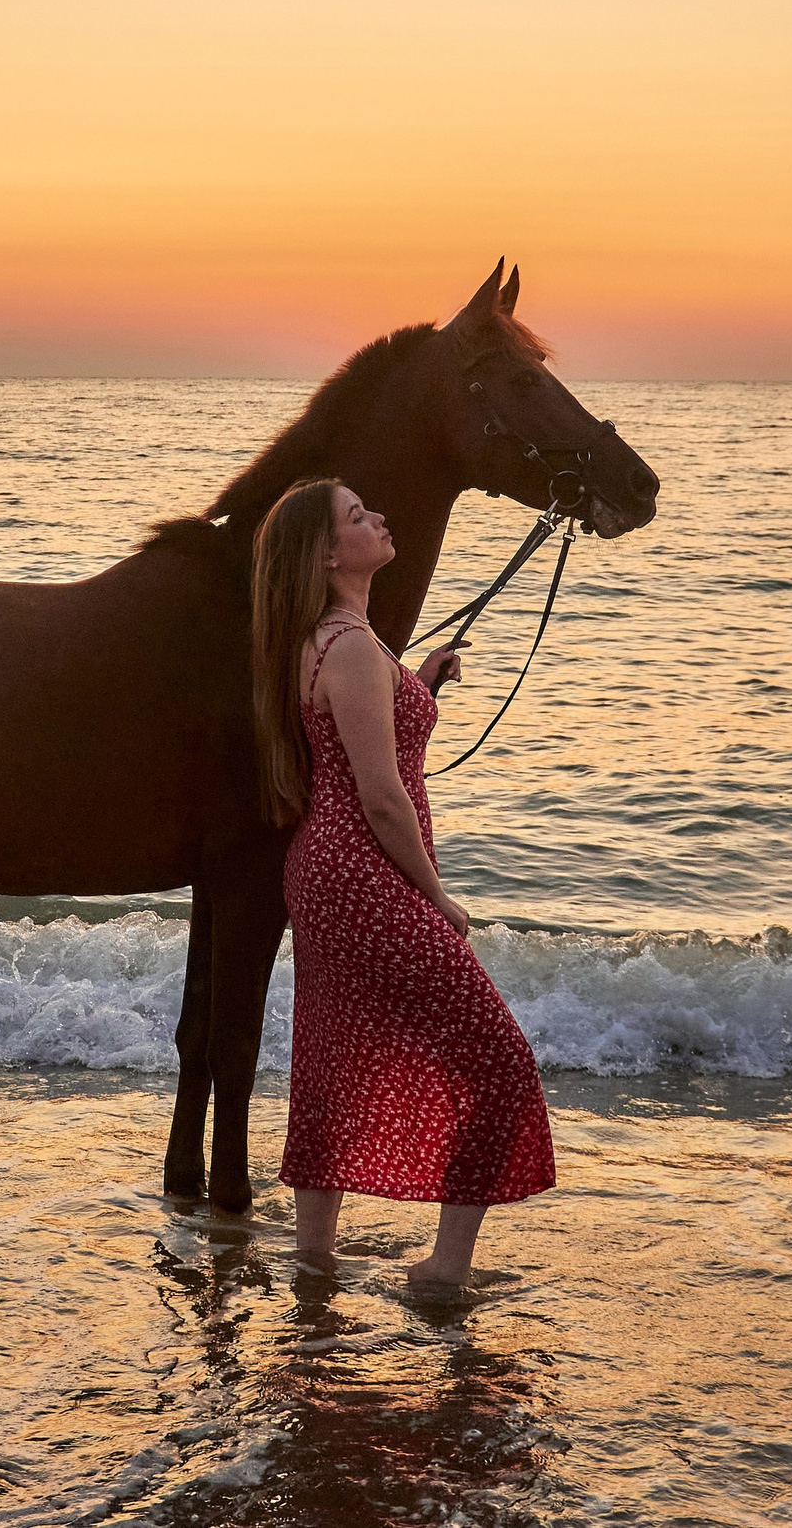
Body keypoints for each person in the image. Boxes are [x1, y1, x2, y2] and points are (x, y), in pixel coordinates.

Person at [251, 476, 557, 1287]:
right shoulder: (349, 647)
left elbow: (361, 732)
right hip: (363, 874)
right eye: (358, 517)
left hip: (327, 874)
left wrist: (416, 682)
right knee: (498, 1060)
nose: (380, 518)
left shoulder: (335, 639)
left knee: (332, 1062)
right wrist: (437, 896)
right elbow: (382, 796)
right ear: (326, 553)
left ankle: (312, 1259)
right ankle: (444, 1267)